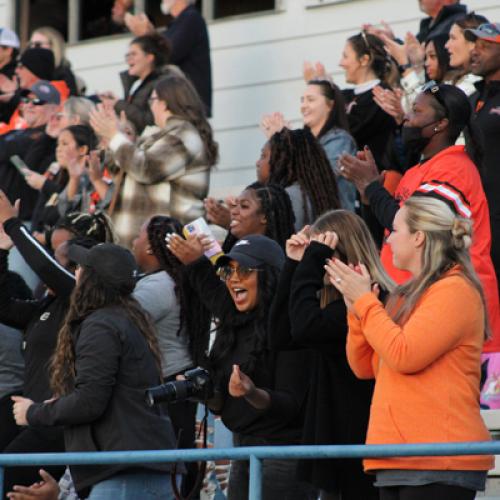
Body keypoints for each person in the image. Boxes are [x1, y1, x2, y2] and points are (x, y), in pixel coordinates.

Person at [326, 194, 493, 499]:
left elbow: (405, 355)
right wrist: (356, 310)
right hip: (398, 455)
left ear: (419, 237)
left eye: (395, 230)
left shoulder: (455, 290)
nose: (387, 241)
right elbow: (365, 366)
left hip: (440, 458)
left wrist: (366, 302)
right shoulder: (403, 296)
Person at [339, 82, 500, 353]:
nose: (407, 119)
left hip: (454, 309)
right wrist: (368, 196)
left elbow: (414, 226)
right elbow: (389, 232)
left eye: (416, 111)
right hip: (415, 303)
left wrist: (373, 188)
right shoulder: (418, 170)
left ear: (440, 124)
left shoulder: (454, 169)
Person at [12, 242, 178, 500]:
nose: (75, 273)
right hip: (137, 466)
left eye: (80, 268)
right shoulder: (124, 318)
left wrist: (33, 412)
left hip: (126, 471)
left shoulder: (101, 324)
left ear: (91, 280)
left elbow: (90, 402)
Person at [167, 233, 316, 500]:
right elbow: (224, 405)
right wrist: (205, 394)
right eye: (228, 270)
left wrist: (251, 392)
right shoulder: (234, 324)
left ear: (268, 277)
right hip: (243, 449)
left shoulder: (288, 326)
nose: (234, 278)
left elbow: (290, 405)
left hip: (283, 454)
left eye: (244, 270)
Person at [269, 210, 394, 500]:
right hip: (338, 438)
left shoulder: (371, 298)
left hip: (363, 439)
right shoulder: (334, 304)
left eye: (321, 254)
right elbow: (280, 335)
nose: (315, 262)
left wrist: (310, 263)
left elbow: (305, 328)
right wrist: (292, 264)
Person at [0, 198, 114, 495]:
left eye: (64, 259)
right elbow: (3, 306)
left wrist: (14, 226)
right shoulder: (48, 305)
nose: (52, 262)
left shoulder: (88, 301)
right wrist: (1, 250)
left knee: (7, 471)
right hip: (32, 418)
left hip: (63, 423)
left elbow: (48, 271)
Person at [132, 215, 211, 497]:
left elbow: (115, 326)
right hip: (182, 385)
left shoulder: (154, 288)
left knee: (169, 474)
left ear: (152, 248)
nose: (133, 241)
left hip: (166, 390)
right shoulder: (179, 279)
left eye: (138, 236)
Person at [90, 74, 218, 247]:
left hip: (169, 248)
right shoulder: (158, 136)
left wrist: (115, 137)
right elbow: (124, 173)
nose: (151, 107)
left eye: (152, 100)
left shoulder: (183, 135)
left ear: (164, 103)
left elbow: (146, 169)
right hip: (145, 247)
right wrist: (113, 137)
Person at [262, 79, 357, 211]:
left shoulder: (340, 140)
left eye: (311, 100)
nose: (304, 105)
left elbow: (320, 178)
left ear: (330, 105)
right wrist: (282, 145)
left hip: (335, 223)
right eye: (302, 100)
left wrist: (285, 145)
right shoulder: (302, 141)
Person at [125, 0, 212, 116]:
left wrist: (148, 35)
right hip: (182, 104)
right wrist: (151, 35)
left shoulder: (190, 18)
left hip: (188, 105)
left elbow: (167, 53)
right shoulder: (181, 22)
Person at [465, 22, 500, 294]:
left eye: (485, 46)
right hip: (478, 220)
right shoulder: (473, 98)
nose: (475, 52)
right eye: (474, 45)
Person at [339, 32, 399, 173]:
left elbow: (351, 132)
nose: (340, 63)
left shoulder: (381, 95)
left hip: (377, 179)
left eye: (345, 56)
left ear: (364, 60)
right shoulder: (346, 95)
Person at [258, 128, 341, 230]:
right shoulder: (313, 194)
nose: (257, 163)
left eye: (263, 156)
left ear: (280, 160)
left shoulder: (287, 197)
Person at [99, 34, 172, 134]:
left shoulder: (160, 84)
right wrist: (116, 101)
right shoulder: (137, 84)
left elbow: (151, 120)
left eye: (133, 54)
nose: (129, 59)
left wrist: (118, 104)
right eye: (127, 55)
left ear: (149, 58)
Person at [219, 183, 296, 252]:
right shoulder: (239, 249)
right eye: (235, 205)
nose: (233, 211)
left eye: (244, 206)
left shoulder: (266, 259)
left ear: (264, 217)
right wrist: (211, 251)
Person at [29, 27, 79, 96]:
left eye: (38, 44)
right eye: (31, 44)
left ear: (54, 46)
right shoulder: (26, 72)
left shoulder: (63, 73)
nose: (33, 48)